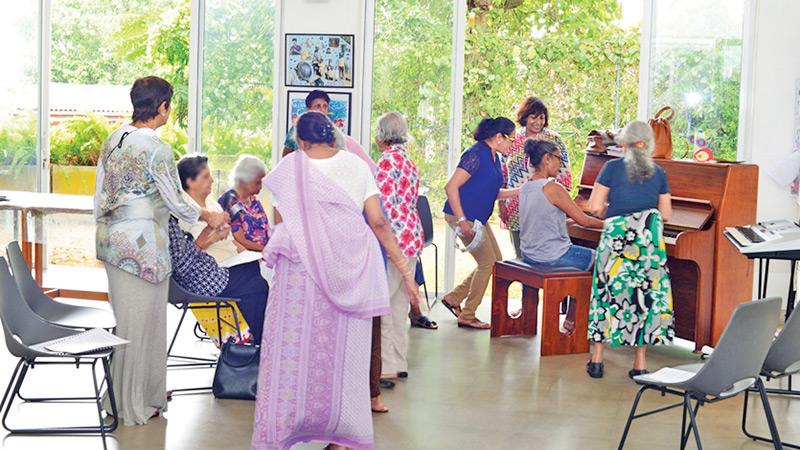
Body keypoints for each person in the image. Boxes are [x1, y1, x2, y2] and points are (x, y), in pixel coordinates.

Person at [251, 112, 421, 450]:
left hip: (300, 270)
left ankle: (283, 431)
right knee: (346, 354)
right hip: (351, 267)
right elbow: (378, 222)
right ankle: (342, 437)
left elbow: (281, 219)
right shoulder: (356, 166)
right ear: (333, 136)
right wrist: (405, 270)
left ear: (299, 141)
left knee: (292, 350)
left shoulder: (290, 168)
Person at [94, 76, 227, 425]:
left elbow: (99, 195)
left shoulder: (113, 139)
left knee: (128, 322)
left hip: (111, 241)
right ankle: (135, 403)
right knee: (144, 325)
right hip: (143, 247)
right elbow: (176, 201)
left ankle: (130, 396)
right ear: (162, 107)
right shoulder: (157, 149)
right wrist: (207, 215)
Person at [585, 120, 674, 379]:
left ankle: (598, 359)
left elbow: (593, 206)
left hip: (616, 241)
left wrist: (607, 210)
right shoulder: (659, 172)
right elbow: (666, 214)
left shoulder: (611, 167)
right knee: (644, 296)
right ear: (649, 145)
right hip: (647, 246)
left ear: (622, 142)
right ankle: (640, 363)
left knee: (605, 293)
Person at [518, 139, 604, 335]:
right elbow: (585, 221)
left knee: (586, 261)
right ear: (546, 159)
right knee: (601, 260)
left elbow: (539, 220)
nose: (561, 164)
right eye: (558, 158)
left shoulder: (525, 187)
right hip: (552, 256)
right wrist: (614, 224)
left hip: (530, 254)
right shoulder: (553, 188)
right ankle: (574, 320)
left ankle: (575, 317)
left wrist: (566, 222)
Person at [441, 117, 519, 329]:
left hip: (477, 219)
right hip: (463, 217)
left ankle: (454, 298)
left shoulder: (495, 158)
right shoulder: (475, 154)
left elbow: (492, 192)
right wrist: (462, 220)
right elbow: (451, 187)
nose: (512, 144)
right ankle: (467, 315)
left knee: (496, 261)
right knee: (488, 264)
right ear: (498, 137)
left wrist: (520, 191)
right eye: (511, 139)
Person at [373, 112, 425, 380]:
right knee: (399, 304)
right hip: (411, 236)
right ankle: (399, 361)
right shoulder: (408, 161)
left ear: (381, 135)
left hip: (393, 239)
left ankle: (385, 365)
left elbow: (384, 209)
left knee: (383, 303)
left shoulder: (384, 163)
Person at [167, 216, 268, 344]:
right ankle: (260, 343)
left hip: (205, 273)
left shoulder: (167, 219)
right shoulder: (168, 220)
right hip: (201, 280)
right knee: (257, 285)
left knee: (252, 272)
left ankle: (257, 339)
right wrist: (204, 239)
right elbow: (182, 266)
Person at [500, 97, 573, 258]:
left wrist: (563, 201)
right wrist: (502, 206)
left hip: (546, 207)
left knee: (544, 256)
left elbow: (564, 174)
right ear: (525, 117)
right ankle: (527, 284)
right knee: (522, 257)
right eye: (534, 117)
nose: (538, 122)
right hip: (515, 207)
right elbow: (503, 175)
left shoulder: (554, 139)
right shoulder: (513, 140)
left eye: (542, 117)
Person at [282, 89, 376, 171]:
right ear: (308, 109)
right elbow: (286, 156)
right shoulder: (298, 128)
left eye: (325, 106)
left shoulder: (332, 130)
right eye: (318, 106)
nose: (322, 110)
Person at [177, 155, 244, 262]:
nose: (212, 180)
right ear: (190, 181)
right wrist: (214, 237)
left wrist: (249, 256)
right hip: (213, 269)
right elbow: (187, 257)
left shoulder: (213, 205)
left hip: (233, 260)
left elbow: (231, 241)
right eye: (206, 176)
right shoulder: (183, 212)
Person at [218, 155, 270, 252]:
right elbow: (239, 239)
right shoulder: (229, 201)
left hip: (263, 255)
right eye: (258, 182)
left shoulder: (254, 201)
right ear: (244, 179)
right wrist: (266, 251)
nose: (261, 187)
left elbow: (267, 230)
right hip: (245, 257)